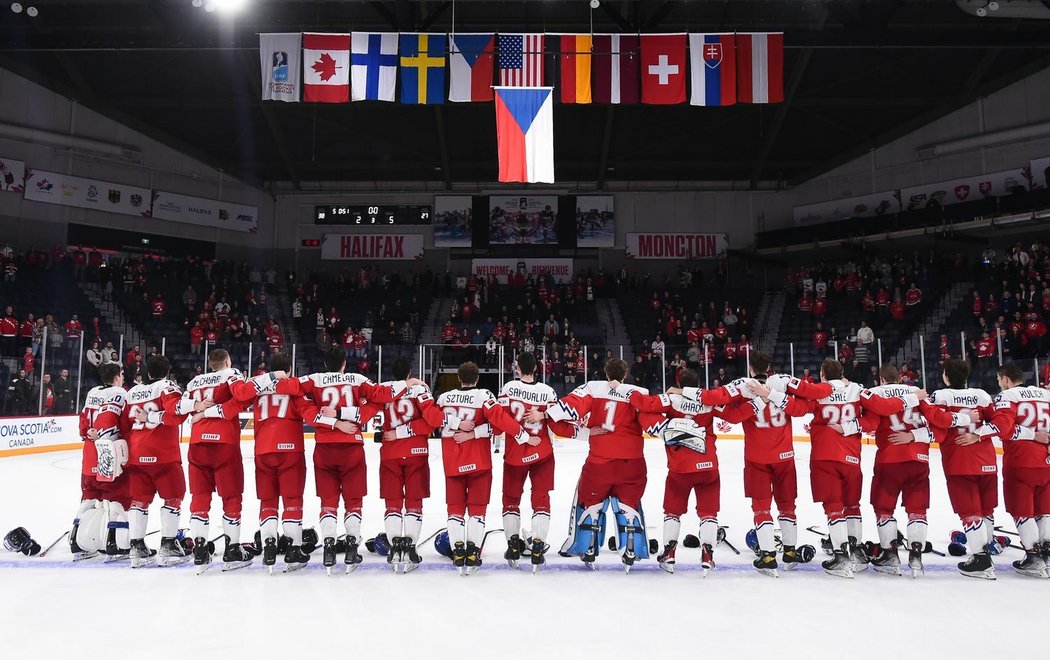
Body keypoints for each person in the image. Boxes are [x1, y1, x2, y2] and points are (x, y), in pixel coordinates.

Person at [299, 346, 418, 573]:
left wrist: (333, 422)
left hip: (324, 449)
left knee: (328, 502)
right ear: (345, 363)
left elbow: (301, 403)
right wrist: (407, 383)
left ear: (325, 364)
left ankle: (329, 547)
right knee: (353, 502)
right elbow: (381, 395)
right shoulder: (356, 379)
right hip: (352, 448)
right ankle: (352, 548)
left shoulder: (314, 380)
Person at [710, 352, 817, 576]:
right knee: (788, 506)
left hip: (756, 458)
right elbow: (802, 408)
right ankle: (789, 552)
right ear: (769, 367)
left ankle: (768, 555)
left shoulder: (743, 386)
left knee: (761, 507)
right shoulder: (782, 384)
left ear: (750, 368)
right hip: (785, 456)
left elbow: (726, 411)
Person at [541, 358, 652, 571]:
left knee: (588, 500)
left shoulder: (593, 387)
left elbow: (566, 409)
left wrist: (547, 414)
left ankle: (587, 545)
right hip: (632, 463)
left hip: (599, 462)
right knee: (629, 503)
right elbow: (653, 420)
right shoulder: (640, 392)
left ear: (606, 373)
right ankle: (631, 547)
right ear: (626, 374)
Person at [858, 364, 959, 577]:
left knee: (884, 509)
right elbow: (940, 427)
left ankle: (890, 554)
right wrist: (914, 436)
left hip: (889, 459)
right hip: (919, 459)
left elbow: (871, 424)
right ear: (900, 379)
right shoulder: (917, 393)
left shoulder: (877, 394)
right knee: (917, 510)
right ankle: (916, 554)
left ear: (882, 380)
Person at [633, 369, 733, 576]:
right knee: (709, 513)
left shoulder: (671, 399)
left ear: (679, 383)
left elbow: (644, 406)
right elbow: (734, 413)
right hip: (707, 465)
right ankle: (707, 556)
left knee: (672, 512)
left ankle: (669, 553)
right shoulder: (708, 400)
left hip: (680, 467)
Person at [435, 361, 531, 574]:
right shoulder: (483, 396)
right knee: (477, 511)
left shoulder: (443, 398)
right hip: (479, 462)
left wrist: (456, 424)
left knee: (455, 511)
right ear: (477, 379)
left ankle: (458, 552)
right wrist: (520, 434)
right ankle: (472, 552)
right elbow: (498, 424)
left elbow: (431, 419)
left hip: (452, 463)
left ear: (459, 378)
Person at [234, 353, 318, 572]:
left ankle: (269, 545)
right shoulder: (293, 389)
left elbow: (238, 400)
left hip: (263, 450)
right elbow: (309, 414)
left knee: (268, 501)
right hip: (291, 450)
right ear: (288, 370)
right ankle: (293, 549)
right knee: (292, 500)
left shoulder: (258, 388)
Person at [178, 349, 257, 573]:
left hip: (197, 444)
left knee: (200, 497)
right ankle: (232, 549)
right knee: (231, 497)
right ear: (227, 361)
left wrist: (199, 413)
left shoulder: (194, 381)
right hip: (224, 444)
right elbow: (243, 397)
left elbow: (183, 408)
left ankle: (201, 550)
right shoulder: (231, 374)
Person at [919, 359, 997, 579]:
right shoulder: (982, 395)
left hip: (959, 461)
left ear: (946, 376)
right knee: (985, 510)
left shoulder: (941, 396)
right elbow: (998, 423)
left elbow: (937, 420)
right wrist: (978, 434)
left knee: (970, 513)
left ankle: (981, 560)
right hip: (987, 459)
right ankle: (987, 553)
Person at [972, 363, 1050, 578]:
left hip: (1021, 461)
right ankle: (1048, 554)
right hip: (1046, 461)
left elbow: (1003, 429)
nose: (999, 384)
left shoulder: (1008, 396)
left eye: (999, 380)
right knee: (1044, 510)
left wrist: (978, 434)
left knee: (1022, 510)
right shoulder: (1045, 394)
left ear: (1005, 379)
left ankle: (1033, 556)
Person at [499, 352, 576, 571]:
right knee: (541, 499)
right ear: (537, 368)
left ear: (517, 368)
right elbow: (557, 421)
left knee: (511, 501)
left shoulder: (508, 388)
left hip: (515, 453)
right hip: (542, 452)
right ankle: (538, 545)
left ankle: (514, 545)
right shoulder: (547, 391)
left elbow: (501, 420)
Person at [375, 357, 445, 572]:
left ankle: (396, 548)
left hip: (390, 454)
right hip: (416, 452)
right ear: (409, 373)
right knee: (414, 503)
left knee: (392, 503)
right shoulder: (420, 390)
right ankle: (410, 547)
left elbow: (369, 414)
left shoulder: (383, 389)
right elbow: (435, 420)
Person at [123, 356, 191, 568]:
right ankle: (168, 544)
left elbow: (124, 422)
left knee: (138, 501)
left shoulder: (132, 392)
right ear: (167, 370)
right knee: (173, 498)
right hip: (163, 454)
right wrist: (156, 418)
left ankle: (136, 547)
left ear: (146, 373)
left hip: (136, 453)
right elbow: (177, 414)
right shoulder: (167, 387)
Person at [69, 363, 131, 560]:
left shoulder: (92, 392)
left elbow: (84, 422)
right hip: (108, 453)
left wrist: (88, 433)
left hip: (90, 454)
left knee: (89, 496)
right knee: (117, 497)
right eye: (121, 374)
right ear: (116, 377)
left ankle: (76, 542)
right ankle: (116, 543)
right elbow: (116, 422)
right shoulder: (121, 393)